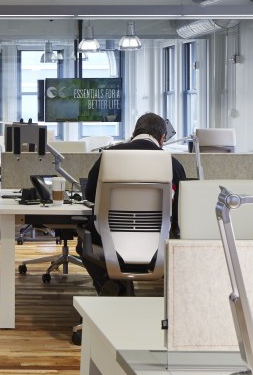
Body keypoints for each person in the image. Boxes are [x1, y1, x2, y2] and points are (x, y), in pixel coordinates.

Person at [77, 113, 187, 295]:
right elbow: (181, 210)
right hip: (157, 246)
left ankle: (111, 285)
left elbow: (90, 195)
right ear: (162, 138)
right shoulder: (173, 165)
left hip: (108, 241)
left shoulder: (108, 157)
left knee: (84, 239)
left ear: (134, 132)